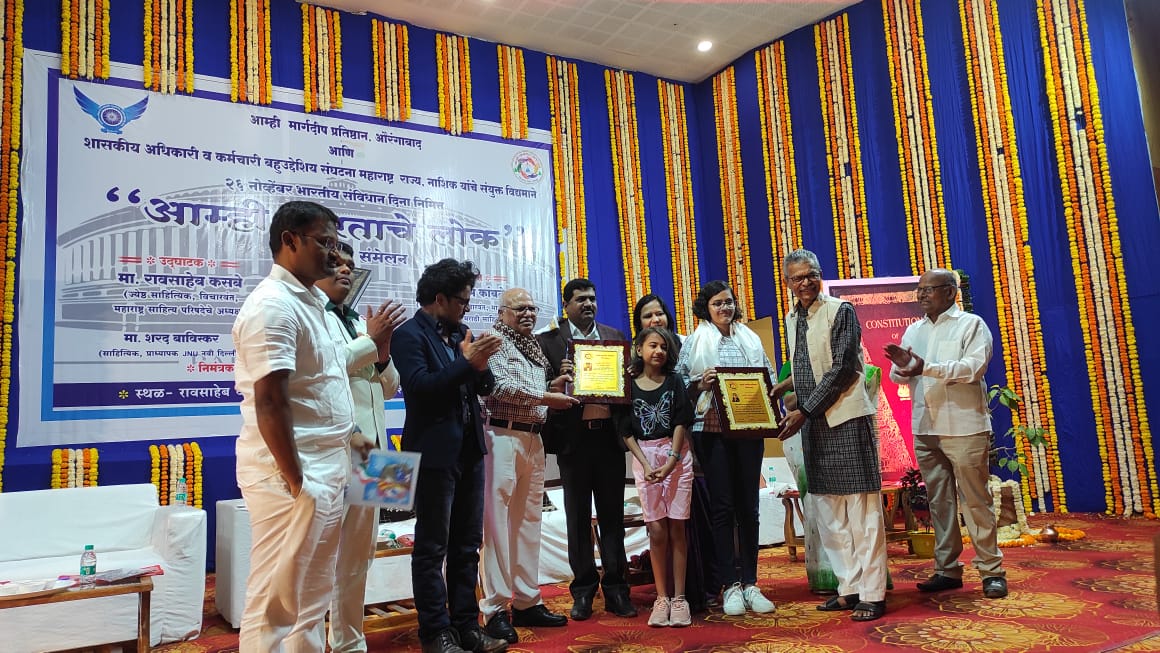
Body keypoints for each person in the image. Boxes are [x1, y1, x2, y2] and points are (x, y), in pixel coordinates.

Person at [232, 200, 355, 652]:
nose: (335, 255)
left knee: (313, 593)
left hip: (332, 461)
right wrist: (296, 479)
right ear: (290, 241)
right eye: (325, 242)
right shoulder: (272, 306)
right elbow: (270, 401)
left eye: (336, 244)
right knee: (274, 598)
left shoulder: (315, 304)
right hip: (293, 470)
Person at [390, 259, 507, 653]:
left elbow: (485, 386)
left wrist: (480, 366)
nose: (466, 308)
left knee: (467, 546)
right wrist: (466, 363)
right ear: (439, 298)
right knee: (432, 548)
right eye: (461, 301)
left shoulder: (460, 332)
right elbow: (421, 388)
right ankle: (435, 632)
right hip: (432, 455)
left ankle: (466, 626)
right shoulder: (408, 335)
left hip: (470, 451)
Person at [777, 249, 888, 622]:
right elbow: (809, 361)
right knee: (828, 513)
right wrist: (785, 386)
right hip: (815, 423)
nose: (806, 282)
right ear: (787, 283)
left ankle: (872, 593)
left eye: (812, 274)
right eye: (798, 277)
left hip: (846, 417)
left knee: (862, 512)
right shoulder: (792, 317)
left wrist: (804, 410)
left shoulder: (841, 311)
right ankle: (849, 588)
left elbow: (842, 368)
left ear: (820, 275)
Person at [883, 268, 1008, 599]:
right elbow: (897, 377)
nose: (922, 295)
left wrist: (925, 367)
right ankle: (948, 569)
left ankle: (991, 571)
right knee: (939, 502)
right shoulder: (914, 329)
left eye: (930, 289)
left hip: (964, 426)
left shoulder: (971, 325)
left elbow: (973, 368)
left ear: (951, 292)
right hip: (925, 427)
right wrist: (903, 365)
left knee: (976, 500)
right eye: (919, 289)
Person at [315, 242, 407, 652]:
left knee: (361, 555)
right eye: (337, 263)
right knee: (320, 556)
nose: (346, 271)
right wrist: (371, 340)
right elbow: (324, 368)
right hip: (335, 449)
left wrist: (382, 351)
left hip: (375, 451)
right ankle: (312, 641)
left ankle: (350, 643)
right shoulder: (309, 314)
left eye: (351, 265)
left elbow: (389, 387)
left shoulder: (356, 320)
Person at [478, 288, 577, 644]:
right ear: (502, 312)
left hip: (533, 438)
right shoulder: (492, 340)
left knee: (528, 523)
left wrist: (552, 385)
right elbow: (499, 389)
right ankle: (494, 609)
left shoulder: (531, 345)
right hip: (501, 436)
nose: (528, 314)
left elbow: (528, 390)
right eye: (520, 308)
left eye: (533, 309)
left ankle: (526, 601)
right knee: (496, 526)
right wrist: (547, 396)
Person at [536, 279, 638, 620]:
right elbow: (540, 388)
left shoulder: (614, 337)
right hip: (574, 441)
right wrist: (557, 377)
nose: (589, 304)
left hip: (609, 439)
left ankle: (617, 590)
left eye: (592, 298)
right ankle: (582, 591)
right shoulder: (549, 341)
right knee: (578, 520)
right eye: (580, 299)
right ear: (566, 305)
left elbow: (628, 387)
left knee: (612, 519)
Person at [675, 280, 777, 616]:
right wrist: (697, 383)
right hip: (710, 430)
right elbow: (678, 385)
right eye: (718, 303)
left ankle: (750, 582)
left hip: (749, 428)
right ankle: (729, 585)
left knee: (749, 507)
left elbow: (768, 377)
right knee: (722, 507)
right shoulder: (694, 342)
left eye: (729, 302)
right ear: (705, 308)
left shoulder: (750, 338)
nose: (725, 308)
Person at [618, 327, 696, 627]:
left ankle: (680, 598)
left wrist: (672, 460)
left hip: (676, 457)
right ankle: (661, 598)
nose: (659, 351)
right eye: (653, 345)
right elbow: (625, 431)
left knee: (677, 528)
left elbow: (681, 421)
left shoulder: (674, 381)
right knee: (657, 530)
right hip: (645, 458)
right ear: (639, 349)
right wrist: (645, 463)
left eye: (664, 346)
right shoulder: (628, 384)